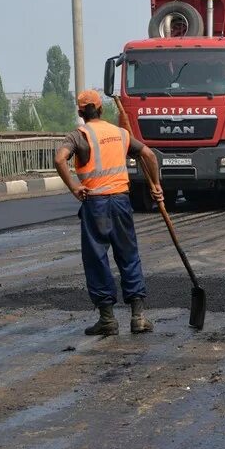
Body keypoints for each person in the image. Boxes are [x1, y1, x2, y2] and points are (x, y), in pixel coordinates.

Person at [54, 90, 163, 336]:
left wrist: (74, 187)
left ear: (81, 113)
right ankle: (138, 317)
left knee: (97, 259)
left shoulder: (78, 136)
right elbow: (148, 154)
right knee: (129, 255)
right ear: (101, 109)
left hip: (96, 205)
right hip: (122, 201)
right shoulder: (120, 133)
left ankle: (107, 319)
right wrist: (156, 186)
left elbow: (60, 159)